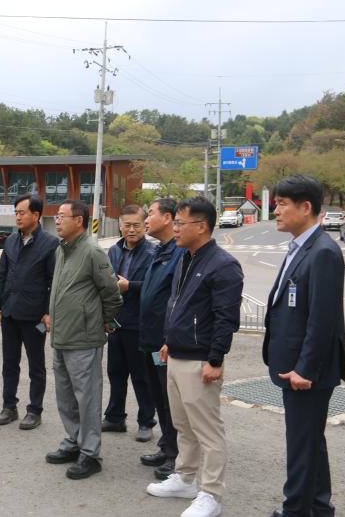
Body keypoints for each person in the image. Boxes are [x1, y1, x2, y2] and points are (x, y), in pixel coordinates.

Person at [146, 196, 243, 517]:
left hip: (201, 361)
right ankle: (185, 477)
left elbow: (225, 318)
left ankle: (211, 494)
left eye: (179, 223)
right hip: (176, 354)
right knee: (182, 425)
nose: (174, 229)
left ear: (201, 227)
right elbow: (178, 305)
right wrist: (168, 341)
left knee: (208, 431)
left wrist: (215, 360)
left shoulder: (223, 265)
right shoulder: (185, 257)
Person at [265, 175, 345, 517]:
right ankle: (318, 506)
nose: (276, 211)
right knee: (311, 439)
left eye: (283, 204)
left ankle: (295, 510)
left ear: (307, 207)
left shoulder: (324, 252)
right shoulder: (300, 246)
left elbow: (322, 320)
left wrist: (305, 368)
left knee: (301, 443)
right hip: (296, 364)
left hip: (307, 369)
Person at [44, 200, 122, 480]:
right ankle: (73, 441)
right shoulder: (61, 250)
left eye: (62, 216)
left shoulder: (91, 250)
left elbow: (111, 292)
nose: (57, 220)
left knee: (87, 399)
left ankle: (90, 453)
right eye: (56, 216)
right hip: (62, 336)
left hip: (84, 338)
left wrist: (104, 319)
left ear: (79, 220)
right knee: (65, 397)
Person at [0, 194, 58, 430]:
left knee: (36, 364)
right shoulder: (10, 241)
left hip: (35, 316)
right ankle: (9, 406)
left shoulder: (50, 244)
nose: (17, 217)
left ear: (36, 215)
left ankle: (34, 410)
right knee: (10, 363)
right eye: (16, 212)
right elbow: (2, 276)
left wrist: (49, 312)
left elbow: (53, 281)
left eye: (22, 212)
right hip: (9, 312)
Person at [138, 198, 184, 480]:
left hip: (164, 342)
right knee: (157, 396)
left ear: (168, 218)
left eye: (150, 214)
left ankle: (177, 455)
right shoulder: (160, 250)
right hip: (149, 339)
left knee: (171, 401)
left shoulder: (178, 252)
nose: (146, 219)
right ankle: (166, 445)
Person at [103, 205, 157, 441]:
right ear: (120, 225)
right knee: (115, 372)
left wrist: (130, 286)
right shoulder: (114, 251)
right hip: (116, 322)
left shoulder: (153, 253)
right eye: (127, 225)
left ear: (145, 225)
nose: (131, 229)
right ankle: (115, 417)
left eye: (136, 224)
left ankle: (146, 421)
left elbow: (157, 288)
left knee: (141, 375)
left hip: (139, 323)